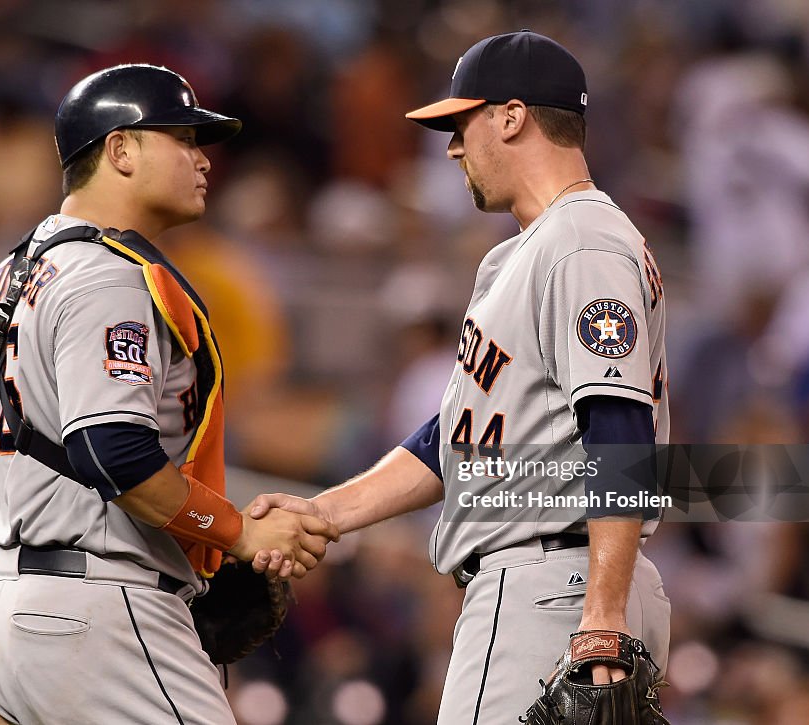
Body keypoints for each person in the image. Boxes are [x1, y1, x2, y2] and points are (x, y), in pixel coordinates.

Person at [250, 31, 671, 722]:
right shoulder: (525, 254)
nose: (451, 147)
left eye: (460, 123)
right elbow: (459, 436)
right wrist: (325, 513)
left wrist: (602, 610)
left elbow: (620, 431)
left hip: (555, 587)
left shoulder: (581, 239)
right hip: (556, 584)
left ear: (511, 116)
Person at [0, 64, 338, 725]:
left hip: (10, 617)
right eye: (181, 138)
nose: (202, 158)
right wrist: (236, 532)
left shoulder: (14, 272)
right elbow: (114, 452)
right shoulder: (111, 277)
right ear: (121, 149)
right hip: (101, 617)